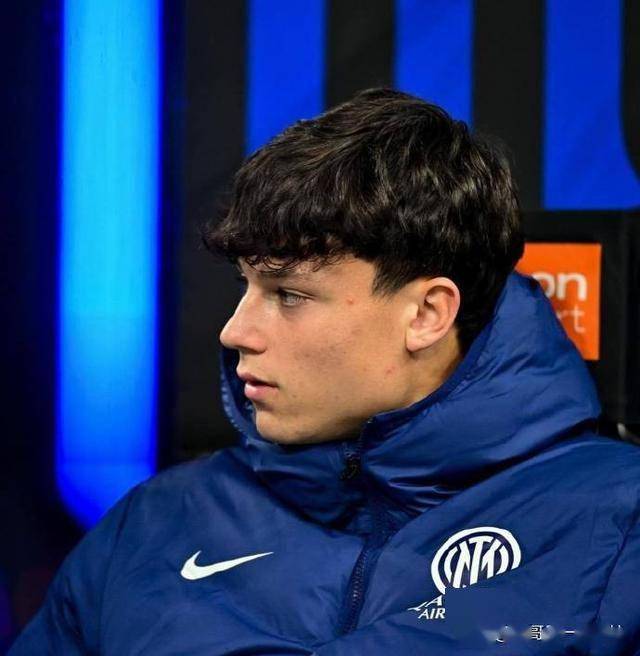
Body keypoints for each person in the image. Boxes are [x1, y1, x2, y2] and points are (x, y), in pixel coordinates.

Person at [10, 88, 640, 655]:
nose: (234, 332)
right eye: (246, 285)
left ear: (427, 313)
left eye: (289, 294)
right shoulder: (152, 526)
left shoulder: (617, 524)